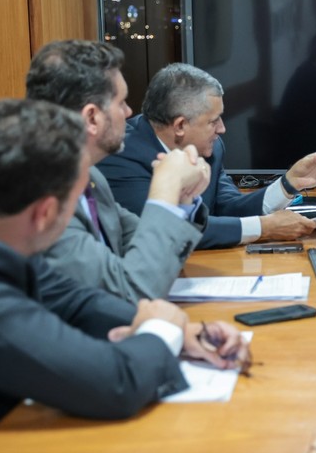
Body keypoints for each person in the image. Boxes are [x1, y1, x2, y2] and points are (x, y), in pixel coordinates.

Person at [0, 99, 250, 453]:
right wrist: (162, 332)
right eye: (77, 200)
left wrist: (183, 333)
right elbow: (114, 383)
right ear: (45, 213)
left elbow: (72, 300)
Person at [98, 63, 316, 249]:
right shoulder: (120, 155)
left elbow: (230, 208)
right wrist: (264, 228)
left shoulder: (211, 148)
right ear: (179, 126)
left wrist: (288, 184)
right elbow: (166, 231)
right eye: (213, 121)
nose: (222, 129)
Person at [27, 40, 210, 302]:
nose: (129, 112)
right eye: (121, 102)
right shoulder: (41, 197)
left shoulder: (91, 178)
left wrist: (182, 196)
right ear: (92, 118)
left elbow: (153, 256)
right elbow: (133, 292)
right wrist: (165, 187)